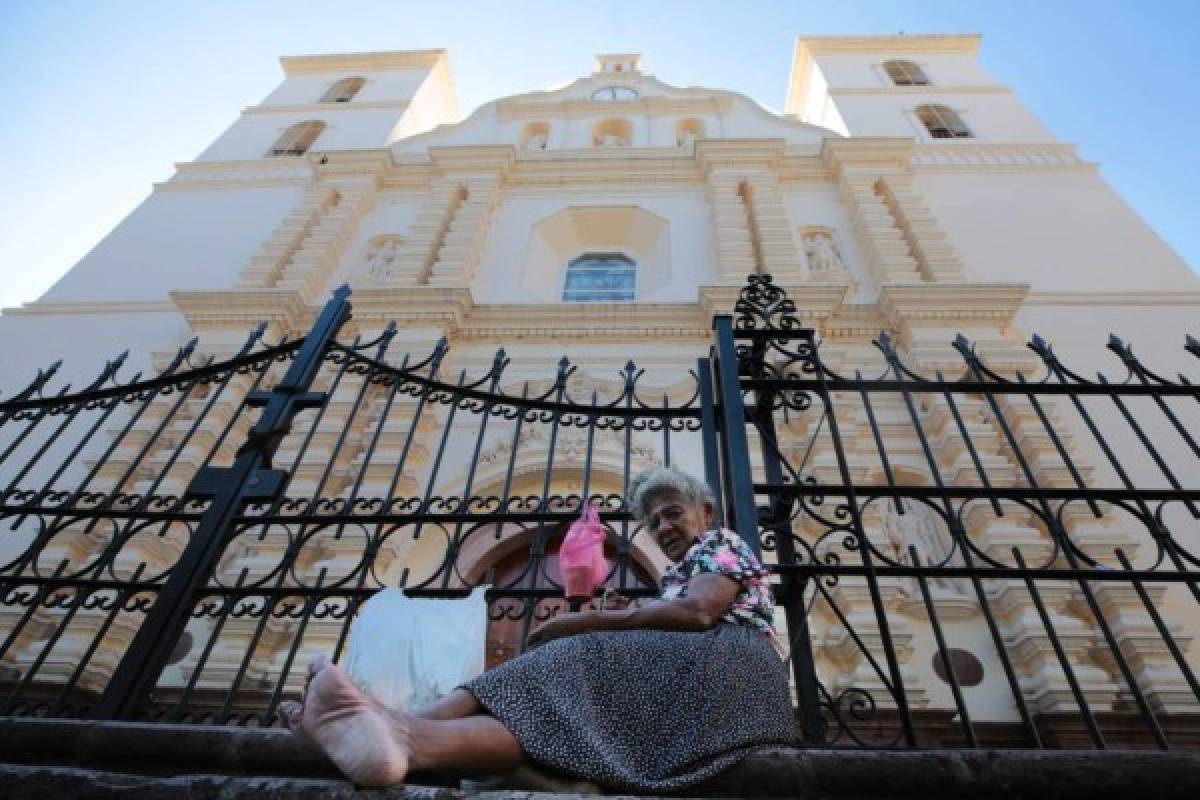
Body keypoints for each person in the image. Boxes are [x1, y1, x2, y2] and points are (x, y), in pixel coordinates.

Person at [281, 465, 795, 791]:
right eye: (654, 521)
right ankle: (396, 737)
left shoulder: (719, 543)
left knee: (562, 661)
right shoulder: (683, 570)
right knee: (551, 719)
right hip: (701, 682)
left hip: (735, 679)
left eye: (673, 514)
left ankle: (402, 725)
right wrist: (614, 617)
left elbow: (699, 614)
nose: (664, 527)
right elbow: (678, 616)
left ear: (705, 512)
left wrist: (598, 618)